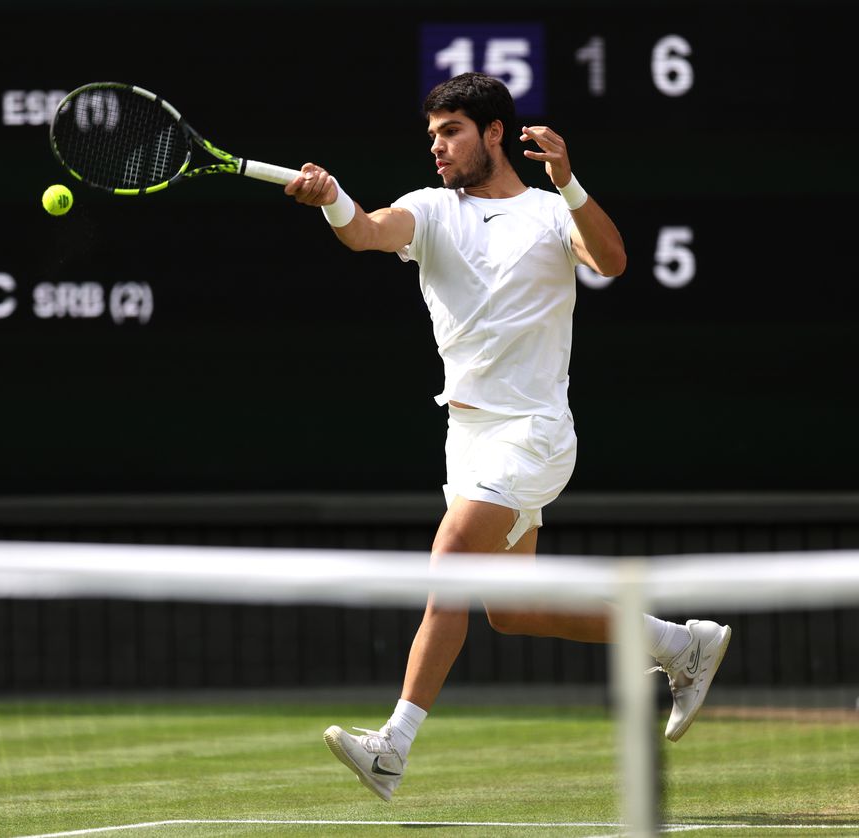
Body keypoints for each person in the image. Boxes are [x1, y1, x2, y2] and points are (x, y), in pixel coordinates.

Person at [284, 72, 732, 802]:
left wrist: (569, 181)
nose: (437, 148)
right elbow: (366, 231)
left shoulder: (554, 215)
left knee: (451, 561)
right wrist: (330, 197)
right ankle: (680, 644)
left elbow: (613, 262)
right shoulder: (429, 210)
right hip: (468, 437)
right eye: (431, 136)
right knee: (510, 607)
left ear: (495, 134)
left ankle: (392, 746)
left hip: (534, 433)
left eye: (451, 132)